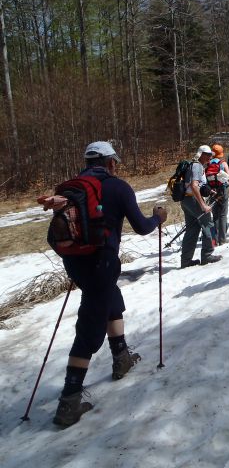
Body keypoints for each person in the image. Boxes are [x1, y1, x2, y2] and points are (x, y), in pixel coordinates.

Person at [52, 141, 168, 427]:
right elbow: (141, 227)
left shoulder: (71, 187)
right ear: (110, 162)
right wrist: (158, 217)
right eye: (115, 161)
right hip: (101, 263)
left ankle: (121, 357)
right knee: (89, 329)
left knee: (110, 299)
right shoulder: (118, 187)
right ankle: (69, 402)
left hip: (75, 262)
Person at [180, 145, 222, 268]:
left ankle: (186, 261)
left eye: (211, 155)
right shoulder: (197, 166)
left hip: (186, 200)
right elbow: (194, 186)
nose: (210, 157)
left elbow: (194, 185)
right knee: (209, 225)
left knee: (192, 230)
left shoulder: (192, 164)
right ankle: (207, 255)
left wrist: (209, 191)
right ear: (202, 154)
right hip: (193, 200)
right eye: (208, 155)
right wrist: (203, 205)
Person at [209, 144, 229, 245]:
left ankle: (214, 239)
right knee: (223, 214)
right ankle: (222, 239)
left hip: (212, 191)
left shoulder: (208, 163)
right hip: (222, 191)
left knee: (215, 215)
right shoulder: (223, 163)